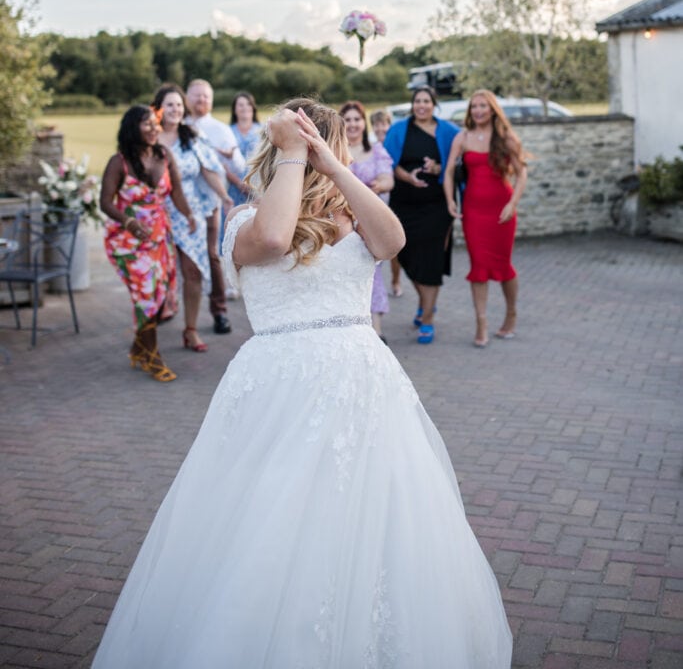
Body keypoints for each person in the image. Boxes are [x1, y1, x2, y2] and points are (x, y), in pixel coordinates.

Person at [91, 97, 512, 669]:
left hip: (363, 381)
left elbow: (392, 243)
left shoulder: (354, 212)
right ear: (279, 145)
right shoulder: (246, 219)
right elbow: (272, 241)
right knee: (276, 512)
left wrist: (335, 165)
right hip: (281, 385)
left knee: (372, 509)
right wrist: (293, 152)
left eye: (317, 142)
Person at [100, 105, 196, 383]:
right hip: (127, 240)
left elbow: (176, 192)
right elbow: (105, 202)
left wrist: (188, 215)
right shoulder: (119, 163)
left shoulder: (164, 156)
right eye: (147, 124)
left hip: (159, 237)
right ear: (132, 127)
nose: (155, 128)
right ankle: (152, 358)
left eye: (156, 124)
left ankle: (138, 348)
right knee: (146, 296)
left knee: (158, 294)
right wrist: (129, 222)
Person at [444, 89, 528, 348]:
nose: (478, 110)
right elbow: (448, 173)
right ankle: (481, 322)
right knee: (478, 268)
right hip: (474, 212)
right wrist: (450, 201)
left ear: (492, 110)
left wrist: (513, 204)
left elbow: (522, 173)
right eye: (474, 106)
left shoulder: (506, 138)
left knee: (504, 267)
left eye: (483, 106)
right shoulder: (463, 138)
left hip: (502, 211)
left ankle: (511, 313)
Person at [153, 84, 233, 352]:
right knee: (156, 272)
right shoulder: (149, 137)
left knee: (193, 271)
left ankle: (191, 329)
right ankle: (148, 327)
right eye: (169, 104)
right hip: (156, 211)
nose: (175, 109)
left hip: (189, 211)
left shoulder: (191, 137)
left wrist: (224, 195)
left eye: (178, 104)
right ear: (159, 108)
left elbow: (210, 168)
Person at [383, 87, 459, 344]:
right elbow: (388, 163)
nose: (422, 105)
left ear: (434, 104)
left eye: (426, 101)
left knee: (432, 260)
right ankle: (426, 302)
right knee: (405, 255)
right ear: (412, 104)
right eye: (418, 101)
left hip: (437, 206)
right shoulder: (398, 130)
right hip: (404, 204)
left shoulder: (449, 131)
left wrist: (437, 167)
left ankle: (427, 318)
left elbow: (458, 165)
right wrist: (408, 177)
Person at [185, 78, 243, 332]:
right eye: (196, 96)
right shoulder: (180, 126)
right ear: (188, 97)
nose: (201, 100)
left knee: (212, 255)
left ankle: (219, 311)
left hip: (210, 201)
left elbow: (239, 166)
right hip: (180, 203)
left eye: (205, 96)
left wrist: (229, 155)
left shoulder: (221, 129)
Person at [340, 100, 394, 342]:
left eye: (357, 119)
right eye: (348, 119)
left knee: (373, 270)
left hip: (371, 221)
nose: (352, 124)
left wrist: (379, 185)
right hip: (342, 222)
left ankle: (376, 329)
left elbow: (388, 180)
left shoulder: (376, 150)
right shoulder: (335, 151)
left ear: (364, 123)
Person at [370, 109, 403, 297]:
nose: (380, 128)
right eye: (376, 124)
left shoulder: (393, 145)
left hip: (393, 199)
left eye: (384, 124)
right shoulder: (371, 147)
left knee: (393, 248)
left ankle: (396, 280)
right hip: (377, 199)